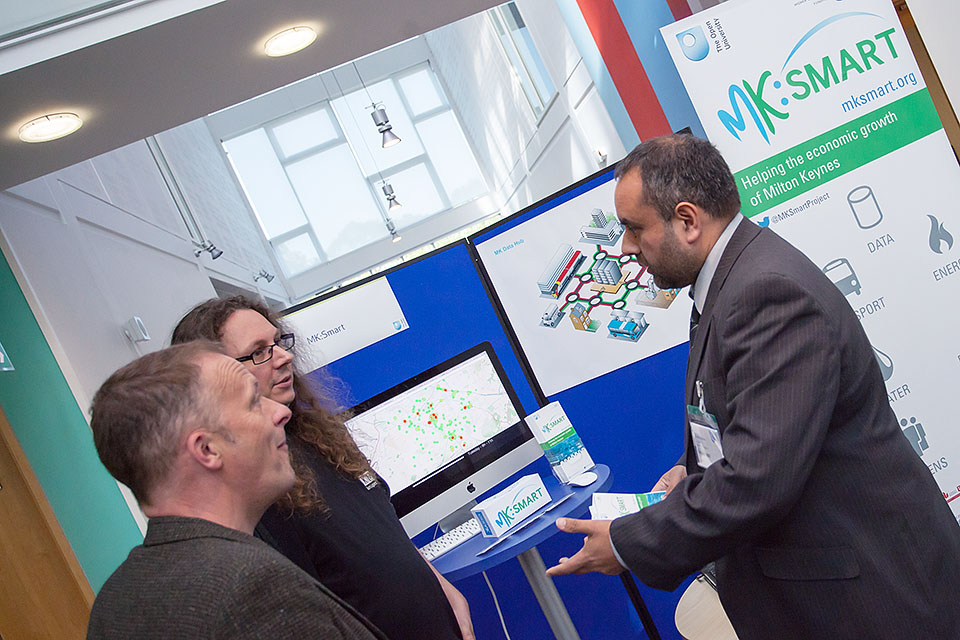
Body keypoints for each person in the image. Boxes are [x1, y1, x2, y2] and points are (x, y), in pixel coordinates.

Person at [545, 134, 960, 639]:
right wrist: (691, 473)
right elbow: (754, 425)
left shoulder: (766, 293)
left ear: (688, 221)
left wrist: (627, 542)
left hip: (873, 601)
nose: (626, 247)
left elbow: (757, 478)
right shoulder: (733, 282)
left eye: (634, 228)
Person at [171, 297, 472, 640]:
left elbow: (383, 532)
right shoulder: (250, 489)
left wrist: (440, 585)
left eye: (277, 342)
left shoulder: (319, 436)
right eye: (258, 352)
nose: (283, 357)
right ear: (215, 377)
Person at [86, 341, 387, 640]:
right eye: (254, 401)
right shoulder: (255, 588)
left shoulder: (114, 602)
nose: (281, 413)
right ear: (207, 449)